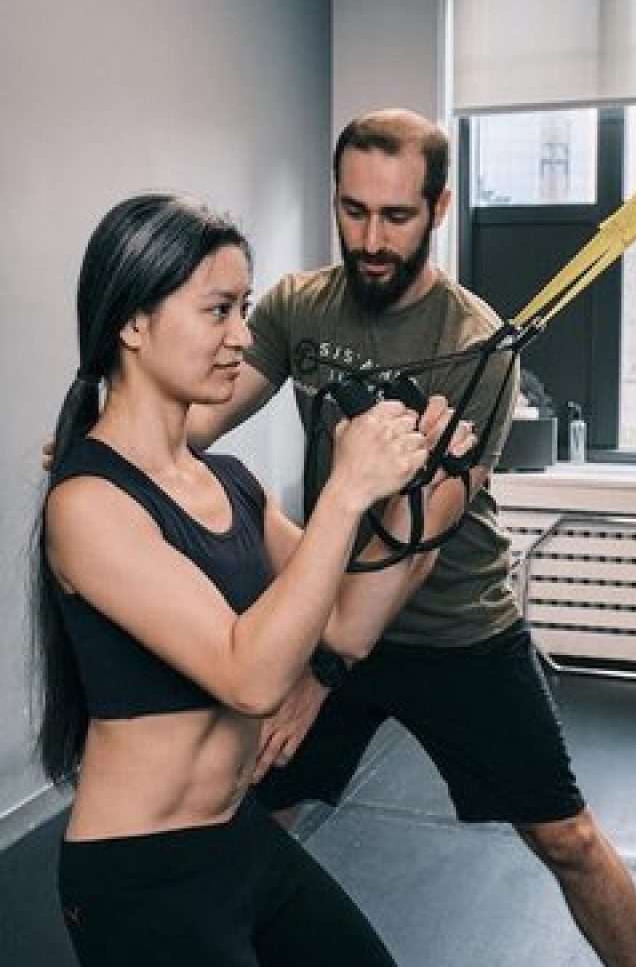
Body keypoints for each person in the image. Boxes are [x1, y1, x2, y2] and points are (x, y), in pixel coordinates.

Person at [185, 109, 636, 965]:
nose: (370, 237)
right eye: (353, 210)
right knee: (246, 813)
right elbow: (202, 419)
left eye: (395, 216)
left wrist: (319, 675)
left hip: (454, 627)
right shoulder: (299, 307)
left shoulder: (477, 342)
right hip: (329, 608)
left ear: (438, 208)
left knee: (568, 840)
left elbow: (418, 545)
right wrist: (125, 434)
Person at [31, 192, 472, 967]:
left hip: (235, 835)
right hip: (142, 875)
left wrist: (423, 490)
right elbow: (252, 677)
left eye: (246, 308)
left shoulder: (229, 482)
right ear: (134, 324)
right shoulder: (88, 504)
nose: (243, 337)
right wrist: (343, 491)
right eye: (219, 310)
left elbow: (347, 624)